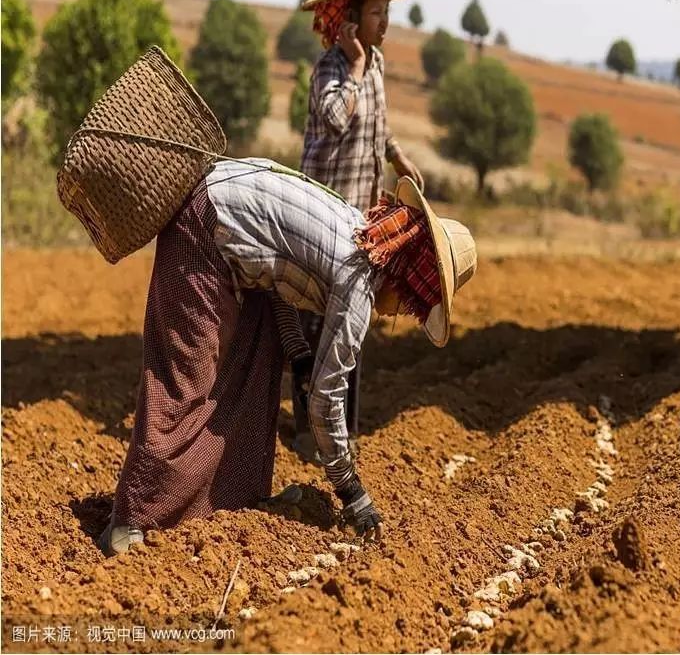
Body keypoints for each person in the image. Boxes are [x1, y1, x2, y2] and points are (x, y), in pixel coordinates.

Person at [99, 160, 476, 556]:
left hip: (225, 222)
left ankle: (232, 498)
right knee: (187, 379)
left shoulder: (355, 230)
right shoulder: (358, 282)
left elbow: (275, 269)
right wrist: (350, 489)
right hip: (203, 226)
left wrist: (297, 352)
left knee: (260, 357)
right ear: (407, 282)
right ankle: (131, 519)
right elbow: (326, 401)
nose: (396, 314)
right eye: (409, 306)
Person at [294, 0, 424, 457]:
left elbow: (378, 124)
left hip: (360, 216)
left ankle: (342, 430)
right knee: (314, 320)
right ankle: (308, 431)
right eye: (375, 14)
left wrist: (398, 156)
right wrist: (351, 65)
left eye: (386, 13)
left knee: (353, 322)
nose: (385, 22)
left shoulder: (377, 64)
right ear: (347, 20)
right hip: (321, 210)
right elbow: (334, 120)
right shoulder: (333, 67)